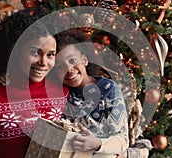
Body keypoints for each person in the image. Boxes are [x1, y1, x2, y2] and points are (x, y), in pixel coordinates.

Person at [0, 8, 69, 158]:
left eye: (50, 54)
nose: (43, 63)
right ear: (14, 50)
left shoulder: (63, 91)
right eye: (34, 52)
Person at [51, 29, 129, 157]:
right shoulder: (61, 94)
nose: (69, 70)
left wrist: (98, 144)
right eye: (59, 67)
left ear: (85, 60)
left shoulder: (108, 89)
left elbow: (122, 139)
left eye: (72, 61)